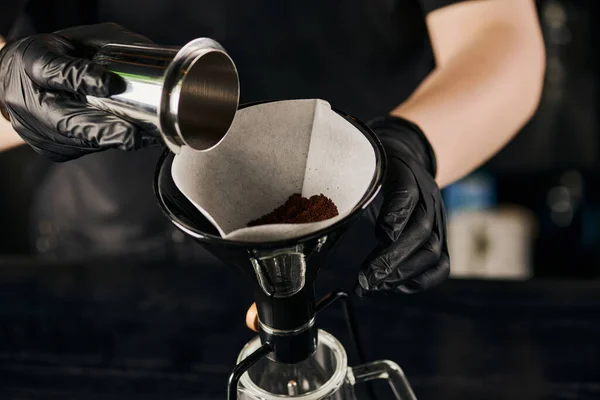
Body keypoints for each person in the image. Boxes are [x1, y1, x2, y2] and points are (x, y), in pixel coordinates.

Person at [0, 0, 545, 316]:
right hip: (103, 259)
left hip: (354, 234)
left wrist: (414, 143)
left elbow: (500, 35)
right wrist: (10, 87)